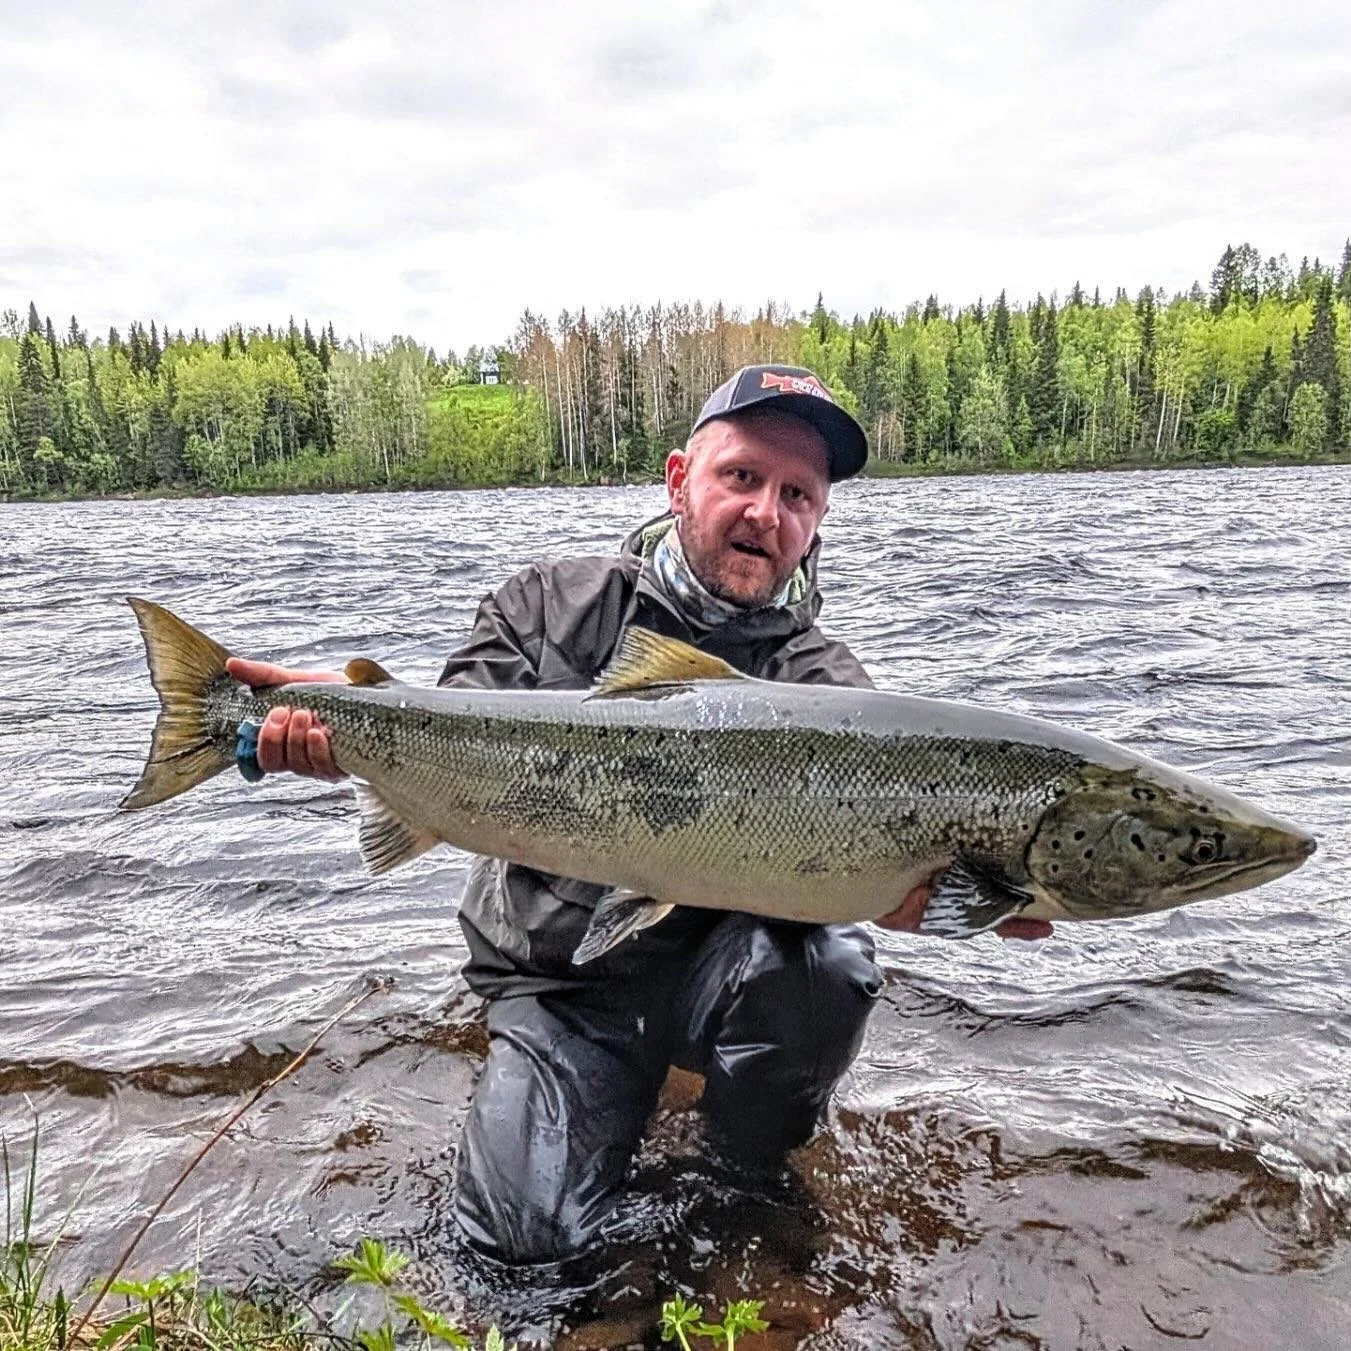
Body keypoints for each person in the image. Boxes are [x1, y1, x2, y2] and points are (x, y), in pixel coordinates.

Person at [227, 364, 1051, 1265]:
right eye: (740, 476)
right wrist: (326, 723)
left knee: (831, 962)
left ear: (816, 520)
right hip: (559, 982)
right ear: (676, 480)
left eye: (797, 494)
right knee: (522, 1252)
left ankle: (743, 1177)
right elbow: (443, 724)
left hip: (715, 974)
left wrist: (937, 896)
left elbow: (860, 885)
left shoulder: (828, 688)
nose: (765, 514)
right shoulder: (546, 604)